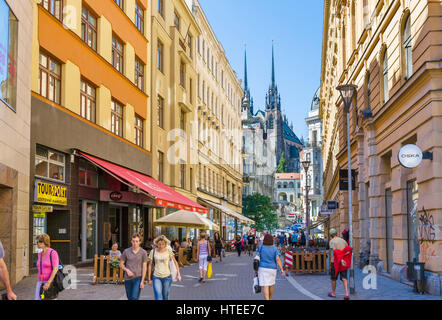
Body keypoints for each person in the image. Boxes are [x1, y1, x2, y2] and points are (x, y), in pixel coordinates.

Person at [148, 235, 181, 300]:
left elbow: (175, 262)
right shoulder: (153, 251)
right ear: (157, 243)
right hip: (156, 277)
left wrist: (178, 274)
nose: (161, 246)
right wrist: (149, 279)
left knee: (165, 296)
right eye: (159, 244)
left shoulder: (168, 250)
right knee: (158, 297)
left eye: (163, 244)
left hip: (167, 277)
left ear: (165, 244)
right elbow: (150, 265)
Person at [255, 234, 284, 300]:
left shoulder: (261, 247)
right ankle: (270, 298)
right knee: (271, 284)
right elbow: (277, 259)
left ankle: (267, 299)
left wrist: (255, 269)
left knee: (265, 285)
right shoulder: (274, 248)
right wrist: (281, 269)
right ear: (272, 240)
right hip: (272, 269)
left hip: (262, 268)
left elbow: (256, 258)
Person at [119, 233, 148, 300]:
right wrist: (127, 270)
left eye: (137, 241)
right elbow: (121, 264)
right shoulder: (126, 251)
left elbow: (144, 267)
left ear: (140, 242)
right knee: (129, 297)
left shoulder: (143, 252)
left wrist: (142, 281)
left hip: (138, 277)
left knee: (134, 297)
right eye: (133, 241)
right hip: (127, 278)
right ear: (131, 241)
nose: (135, 243)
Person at [35, 234, 60, 300]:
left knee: (49, 298)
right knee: (39, 298)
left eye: (38, 242)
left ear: (44, 242)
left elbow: (55, 269)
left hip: (50, 283)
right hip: (40, 282)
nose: (36, 244)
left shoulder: (53, 253)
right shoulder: (39, 254)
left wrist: (48, 283)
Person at [328, 229, 351, 300]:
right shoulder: (343, 240)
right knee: (344, 278)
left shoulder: (332, 241)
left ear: (331, 235)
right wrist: (343, 258)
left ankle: (333, 293)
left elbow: (335, 252)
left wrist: (340, 259)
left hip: (335, 262)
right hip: (343, 261)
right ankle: (347, 294)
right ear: (336, 233)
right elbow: (347, 249)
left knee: (333, 278)